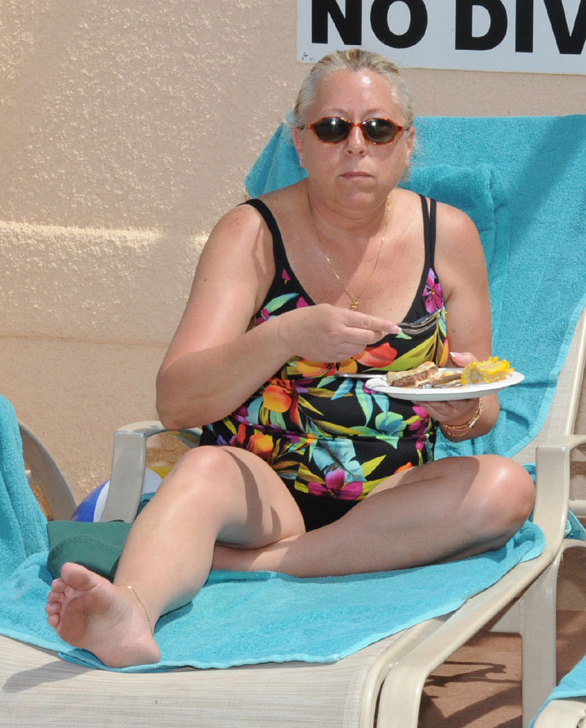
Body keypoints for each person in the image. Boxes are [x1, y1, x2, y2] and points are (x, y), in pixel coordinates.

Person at [45, 49, 535, 667]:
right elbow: (177, 401)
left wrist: (461, 410)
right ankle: (131, 611)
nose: (356, 145)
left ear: (407, 144)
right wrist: (282, 337)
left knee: (505, 488)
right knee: (200, 471)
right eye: (332, 128)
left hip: (393, 496)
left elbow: (483, 402)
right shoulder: (250, 234)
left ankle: (240, 566)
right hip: (261, 488)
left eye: (378, 128)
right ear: (299, 142)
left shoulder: (450, 235)